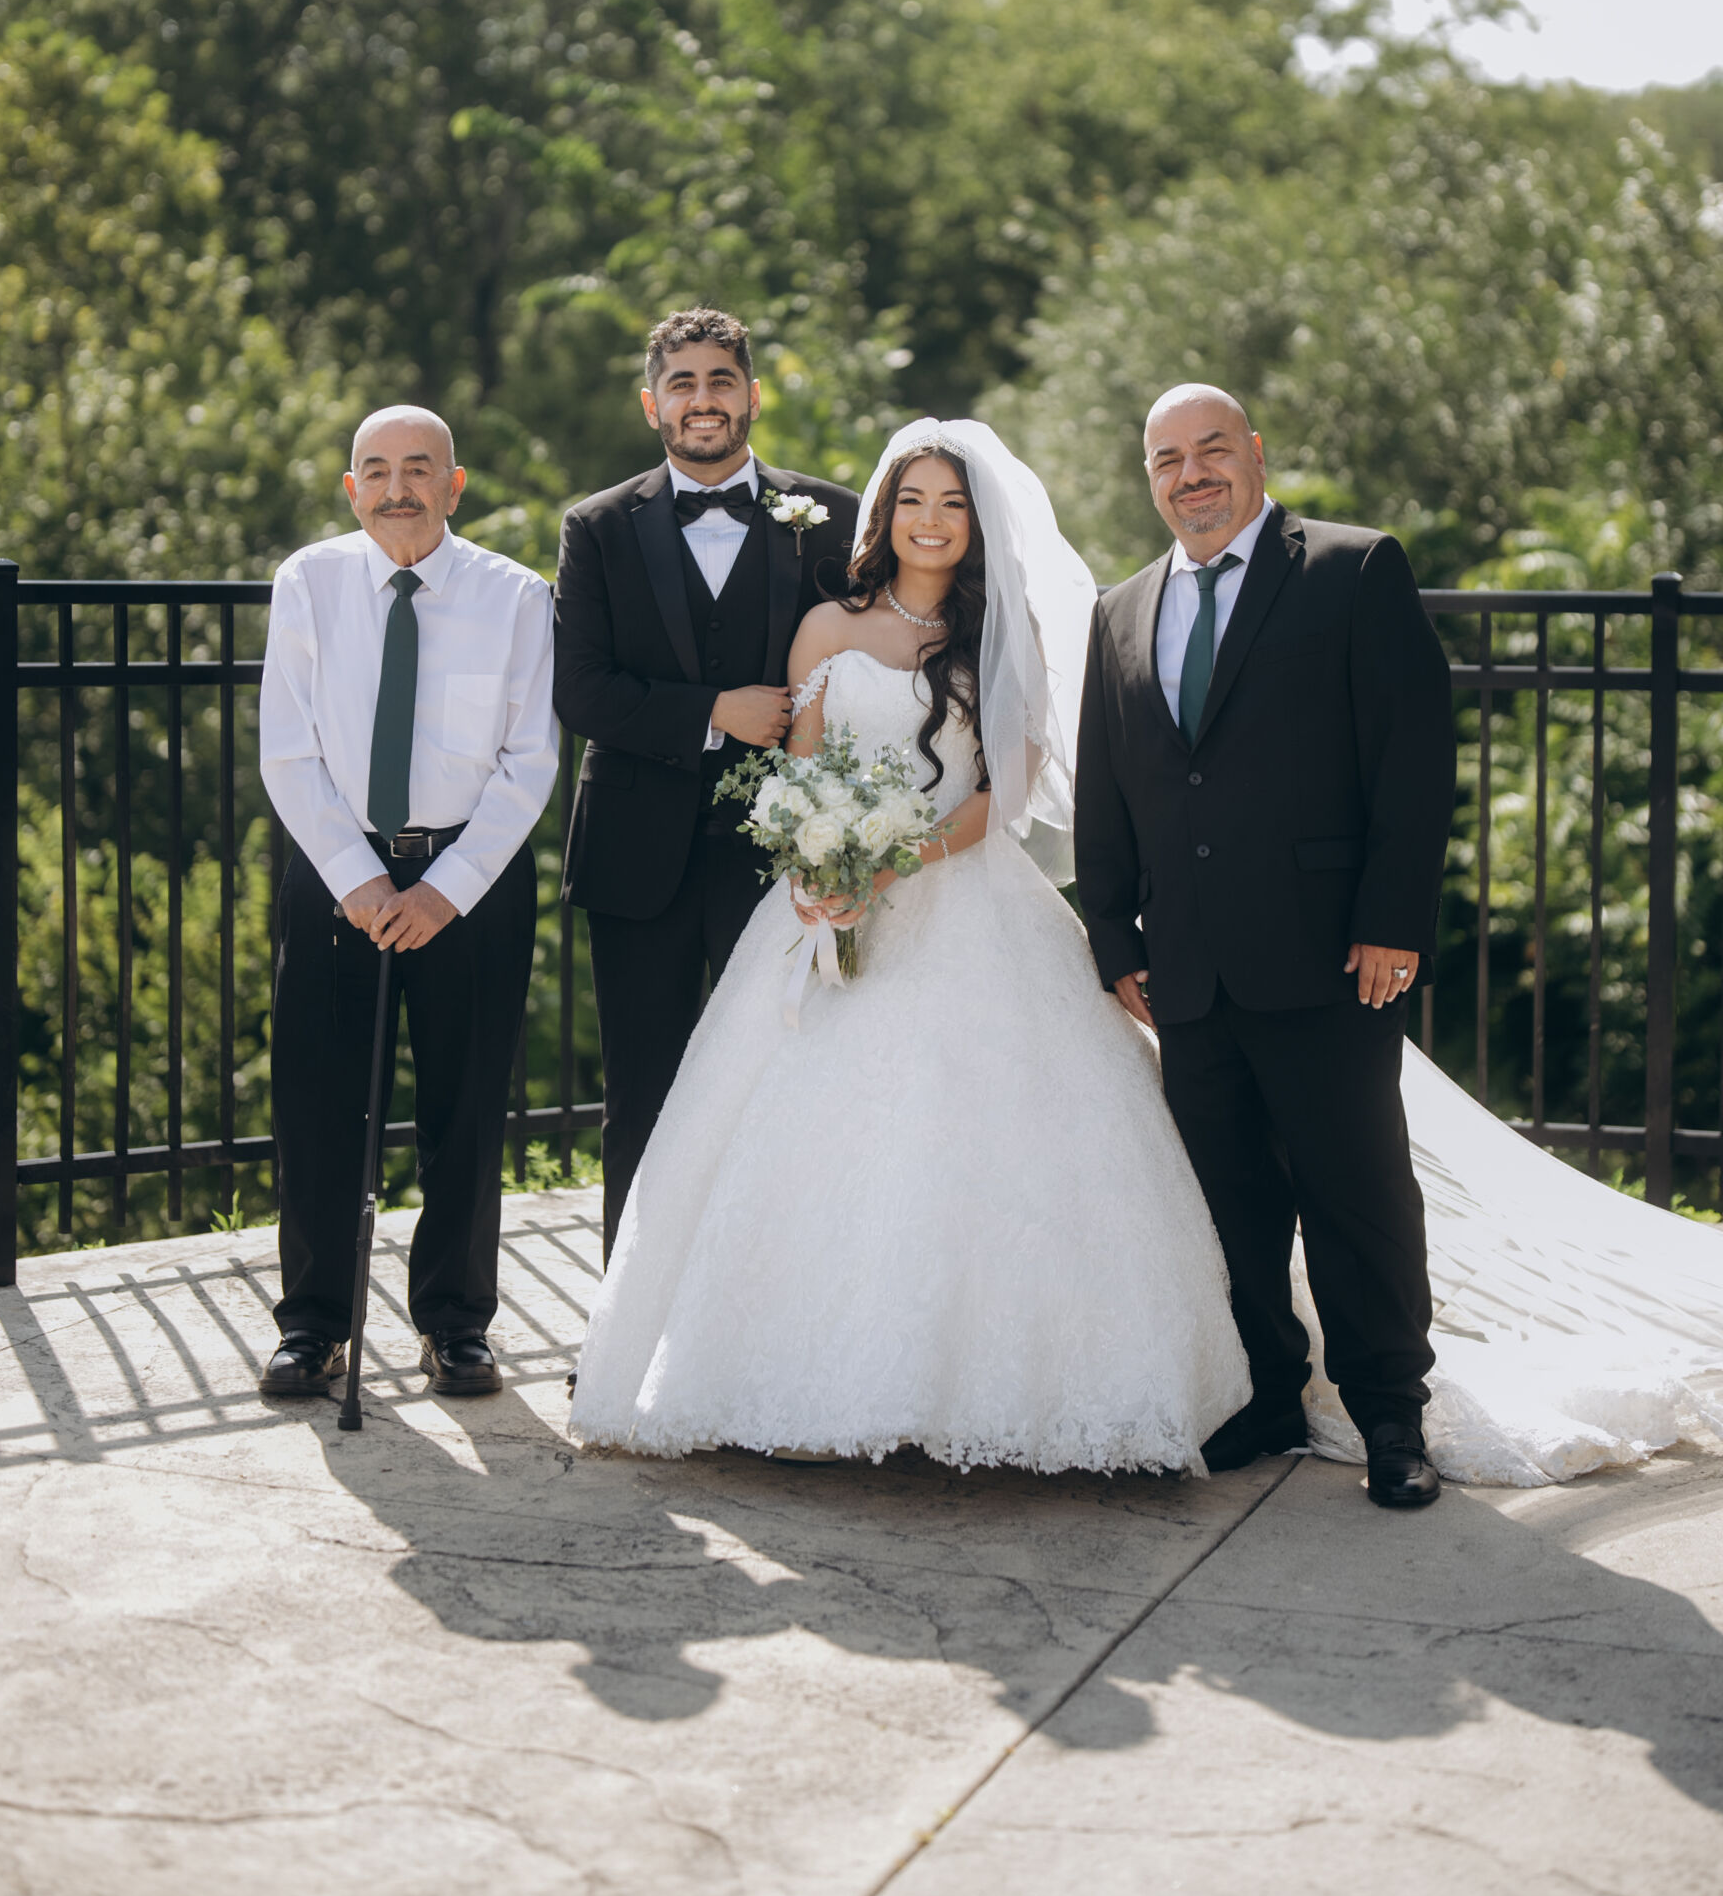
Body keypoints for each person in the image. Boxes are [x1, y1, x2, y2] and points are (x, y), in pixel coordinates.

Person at [567, 419, 1252, 1471]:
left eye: (952, 505)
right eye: (914, 502)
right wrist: (817, 864)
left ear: (978, 523)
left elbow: (1001, 794)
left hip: (965, 895)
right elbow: (800, 769)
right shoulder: (825, 626)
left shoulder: (1001, 633)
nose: (931, 523)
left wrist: (894, 861)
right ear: (885, 516)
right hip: (829, 903)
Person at [1074, 385, 1455, 1507]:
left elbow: (1413, 756)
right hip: (1186, 968)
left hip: (1329, 953)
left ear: (1254, 453)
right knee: (1227, 1203)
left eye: (1211, 450)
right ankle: (1268, 1395)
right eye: (1167, 459)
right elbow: (1109, 786)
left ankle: (1391, 1416)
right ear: (1150, 478)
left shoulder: (1352, 569)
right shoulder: (1120, 611)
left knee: (1356, 1193)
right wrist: (1113, 933)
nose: (1191, 475)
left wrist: (1392, 920)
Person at [258, 406, 556, 1401]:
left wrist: (443, 892)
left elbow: (530, 762)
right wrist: (356, 878)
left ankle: (456, 1326)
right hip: (336, 872)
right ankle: (313, 1327)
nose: (399, 488)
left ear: (453, 484)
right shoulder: (309, 582)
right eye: (378, 470)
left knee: (465, 1109)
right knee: (318, 1102)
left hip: (470, 879)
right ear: (352, 489)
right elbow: (288, 748)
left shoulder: (516, 597)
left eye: (419, 469)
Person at [552, 308, 861, 1254]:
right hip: (635, 855)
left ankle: (771, 1300)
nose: (702, 399)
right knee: (641, 1094)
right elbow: (582, 690)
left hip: (785, 859)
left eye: (720, 380)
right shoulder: (596, 527)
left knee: (783, 1082)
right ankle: (628, 1311)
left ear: (752, 395)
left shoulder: (836, 516)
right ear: (652, 405)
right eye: (681, 384)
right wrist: (714, 712)